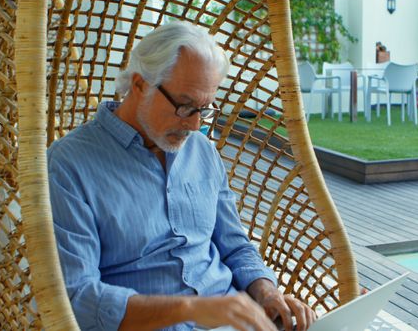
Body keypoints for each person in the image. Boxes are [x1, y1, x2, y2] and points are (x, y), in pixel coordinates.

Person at [48, 21, 316, 331]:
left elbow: (235, 245)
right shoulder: (69, 165)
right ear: (139, 85)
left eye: (205, 108)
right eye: (185, 106)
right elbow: (77, 296)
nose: (195, 126)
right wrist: (190, 309)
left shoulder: (201, 150)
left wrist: (268, 293)